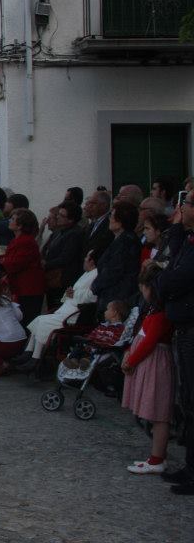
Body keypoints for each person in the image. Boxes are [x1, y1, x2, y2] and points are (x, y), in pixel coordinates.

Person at [156, 190, 194, 494]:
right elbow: (170, 265)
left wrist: (165, 280)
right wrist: (179, 227)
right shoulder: (186, 237)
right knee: (188, 400)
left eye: (187, 204)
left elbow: (174, 278)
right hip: (183, 326)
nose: (181, 207)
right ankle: (190, 467)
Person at [122, 264, 174, 475]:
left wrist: (131, 360)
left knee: (158, 411)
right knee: (155, 411)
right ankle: (156, 456)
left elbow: (150, 341)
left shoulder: (160, 313)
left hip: (155, 362)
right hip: (149, 361)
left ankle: (157, 458)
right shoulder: (155, 310)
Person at [15, 252, 101, 372]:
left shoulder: (96, 274)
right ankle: (29, 353)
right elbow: (72, 293)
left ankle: (35, 358)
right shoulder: (86, 274)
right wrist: (69, 293)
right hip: (68, 308)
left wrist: (74, 293)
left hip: (75, 313)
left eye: (86, 257)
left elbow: (91, 296)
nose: (84, 259)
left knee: (43, 321)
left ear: (91, 261)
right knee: (40, 319)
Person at [0, 208, 46, 327]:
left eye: (13, 219)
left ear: (20, 226)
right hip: (22, 287)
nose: (10, 221)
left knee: (26, 321)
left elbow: (16, 263)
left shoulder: (25, 241)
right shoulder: (19, 240)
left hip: (28, 289)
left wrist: (0, 261)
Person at [91, 201, 141, 314]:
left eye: (111, 216)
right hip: (112, 295)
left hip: (117, 298)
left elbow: (113, 271)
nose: (109, 219)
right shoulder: (121, 240)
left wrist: (95, 285)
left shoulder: (126, 242)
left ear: (120, 221)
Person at [41, 201, 84, 308]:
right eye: (58, 214)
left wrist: (45, 264)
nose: (57, 217)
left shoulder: (74, 234)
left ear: (71, 219)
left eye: (62, 215)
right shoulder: (59, 232)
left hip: (63, 280)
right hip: (52, 279)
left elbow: (65, 258)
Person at [83, 190, 114, 260]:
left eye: (93, 203)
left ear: (104, 205)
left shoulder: (110, 223)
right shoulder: (92, 224)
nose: (89, 206)